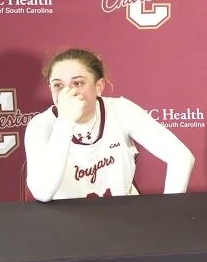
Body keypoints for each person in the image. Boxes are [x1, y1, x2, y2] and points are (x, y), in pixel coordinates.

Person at [24, 48, 195, 202]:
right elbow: (42, 192)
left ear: (98, 87)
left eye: (78, 83)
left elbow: (181, 157)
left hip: (123, 218)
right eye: (58, 85)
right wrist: (66, 121)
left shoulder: (120, 110)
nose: (68, 92)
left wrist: (170, 209)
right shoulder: (41, 125)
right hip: (66, 221)